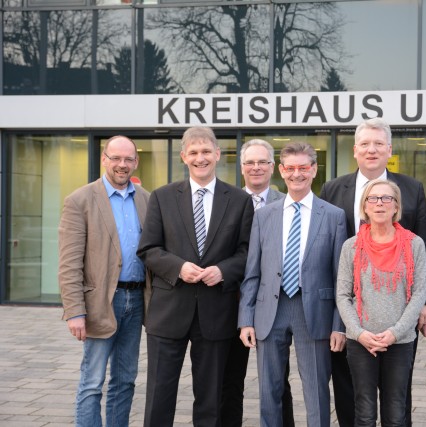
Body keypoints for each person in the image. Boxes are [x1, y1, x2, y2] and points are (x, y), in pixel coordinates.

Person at [319, 117, 426, 426]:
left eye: (379, 144)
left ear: (389, 150)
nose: (372, 150)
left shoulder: (410, 188)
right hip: (349, 311)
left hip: (398, 309)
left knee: (397, 397)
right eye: (365, 144)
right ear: (355, 150)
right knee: (351, 390)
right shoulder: (332, 189)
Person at [137, 126, 253, 427]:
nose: (200, 158)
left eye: (205, 152)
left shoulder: (239, 200)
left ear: (217, 154)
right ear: (183, 157)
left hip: (216, 314)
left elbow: (247, 252)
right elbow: (148, 249)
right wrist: (178, 268)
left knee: (210, 397)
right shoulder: (162, 197)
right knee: (160, 394)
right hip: (169, 312)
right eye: (193, 153)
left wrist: (223, 271)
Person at [238, 141, 348, 427]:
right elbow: (253, 272)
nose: (296, 174)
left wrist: (339, 325)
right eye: (290, 168)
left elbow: (341, 277)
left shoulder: (334, 216)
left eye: (303, 168)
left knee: (316, 392)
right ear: (282, 172)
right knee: (268, 391)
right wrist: (246, 319)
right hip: (269, 311)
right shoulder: (264, 215)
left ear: (313, 170)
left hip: (314, 312)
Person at [58, 135, 149, 427]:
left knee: (125, 380)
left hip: (136, 301)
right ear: (104, 159)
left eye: (128, 159)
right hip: (99, 302)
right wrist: (75, 311)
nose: (122, 165)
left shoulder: (146, 199)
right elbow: (69, 263)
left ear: (136, 161)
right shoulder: (80, 200)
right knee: (92, 381)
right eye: (116, 158)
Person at [336, 179, 426, 426]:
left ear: (396, 207)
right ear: (364, 206)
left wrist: (395, 333)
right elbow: (343, 295)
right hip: (361, 342)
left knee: (396, 413)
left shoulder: (414, 244)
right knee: (364, 413)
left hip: (400, 341)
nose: (379, 203)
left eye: (387, 198)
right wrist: (358, 333)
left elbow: (419, 294)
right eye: (373, 198)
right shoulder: (351, 246)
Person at [221, 138, 293, 427]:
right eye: (250, 162)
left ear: (272, 166)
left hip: (274, 306)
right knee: (229, 378)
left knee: (278, 380)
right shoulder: (226, 202)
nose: (256, 167)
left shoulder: (287, 202)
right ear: (241, 168)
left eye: (262, 161)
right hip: (230, 304)